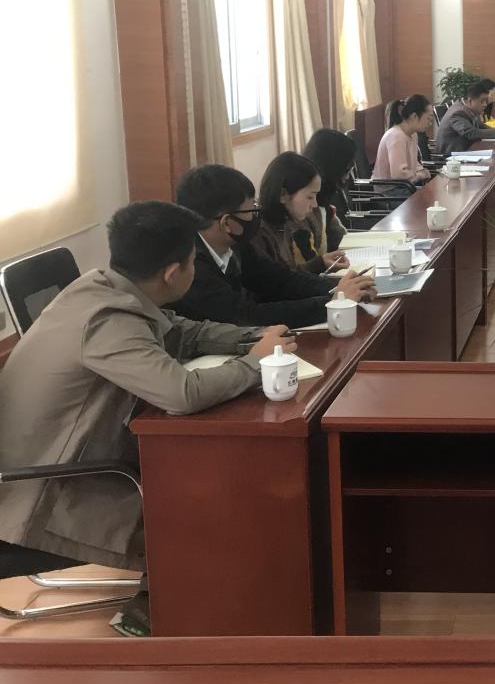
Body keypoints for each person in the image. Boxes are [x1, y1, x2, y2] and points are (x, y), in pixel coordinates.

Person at [0, 201, 297, 573]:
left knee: (219, 482)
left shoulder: (103, 286)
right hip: (47, 497)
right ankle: (173, 603)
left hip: (74, 468)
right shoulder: (106, 321)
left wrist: (254, 337)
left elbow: (181, 332)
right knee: (223, 510)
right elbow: (182, 394)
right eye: (192, 262)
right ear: (172, 273)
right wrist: (256, 363)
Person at [173, 164, 374, 328]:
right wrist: (333, 302)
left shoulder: (235, 244)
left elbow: (279, 280)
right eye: (251, 211)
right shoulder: (189, 265)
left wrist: (340, 287)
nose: (256, 216)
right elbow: (246, 316)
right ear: (226, 223)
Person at [253, 152, 349, 275]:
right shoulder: (260, 236)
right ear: (283, 195)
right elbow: (282, 283)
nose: (314, 204)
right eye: (310, 197)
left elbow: (290, 274)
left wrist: (321, 263)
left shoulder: (282, 224)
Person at [303, 128, 360, 228]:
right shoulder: (309, 198)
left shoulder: (329, 190)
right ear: (334, 165)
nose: (348, 176)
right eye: (347, 169)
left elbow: (336, 231)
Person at [374, 96, 432, 182]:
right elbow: (398, 175)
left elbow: (412, 162)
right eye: (428, 118)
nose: (430, 123)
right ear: (414, 116)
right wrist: (420, 175)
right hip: (390, 188)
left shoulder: (413, 134)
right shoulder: (396, 136)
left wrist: (422, 170)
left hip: (405, 185)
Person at [437, 79, 495, 157]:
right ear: (470, 101)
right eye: (482, 101)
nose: (485, 105)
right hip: (450, 157)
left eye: (486, 101)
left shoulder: (470, 109)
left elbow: (480, 125)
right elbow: (471, 133)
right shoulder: (458, 112)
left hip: (466, 152)